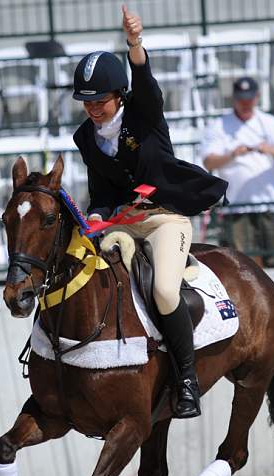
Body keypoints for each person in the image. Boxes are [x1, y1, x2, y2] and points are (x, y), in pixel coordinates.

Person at [72, 5, 228, 419]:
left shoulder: (144, 114)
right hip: (122, 224)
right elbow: (100, 193)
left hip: (163, 220)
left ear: (118, 95)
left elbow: (144, 80)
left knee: (162, 291)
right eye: (86, 101)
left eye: (99, 99)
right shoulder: (85, 137)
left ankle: (188, 380)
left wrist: (135, 44)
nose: (92, 108)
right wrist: (96, 217)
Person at [200, 77, 274, 267]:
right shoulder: (219, 126)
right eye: (241, 99)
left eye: (249, 99)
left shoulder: (268, 122)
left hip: (269, 204)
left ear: (257, 98)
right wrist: (232, 154)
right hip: (237, 207)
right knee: (241, 265)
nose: (245, 104)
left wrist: (267, 148)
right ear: (234, 99)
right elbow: (208, 161)